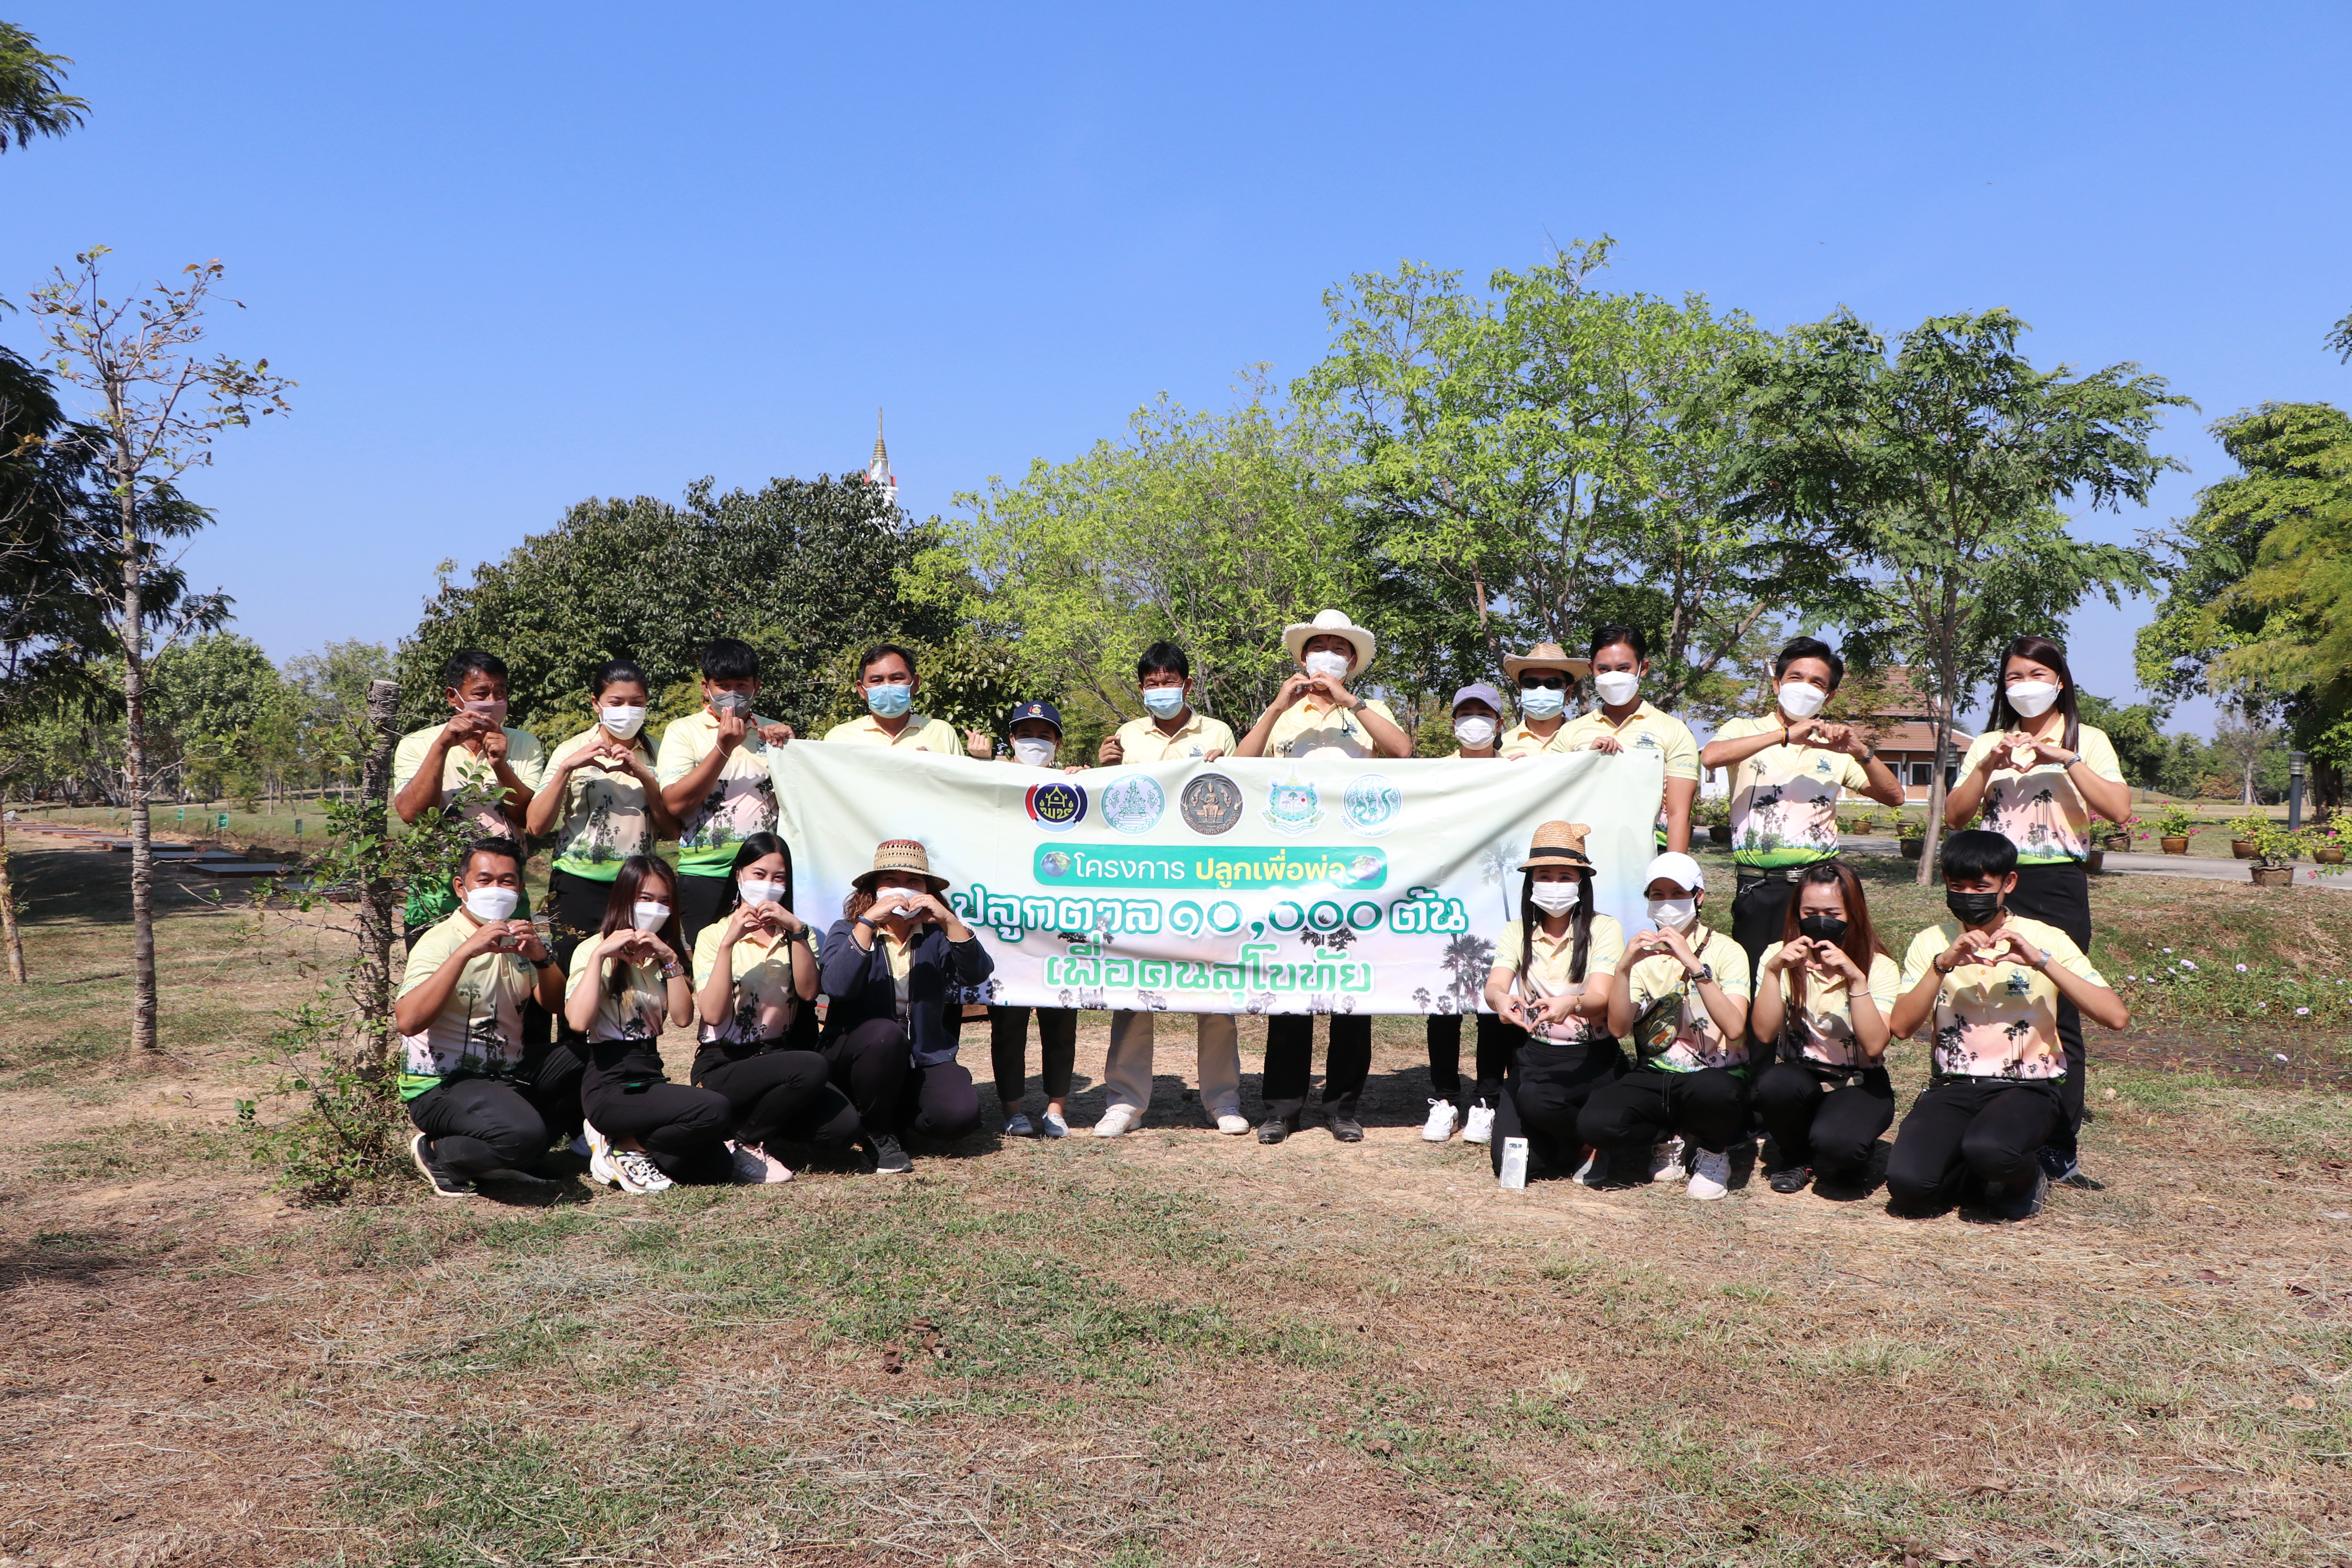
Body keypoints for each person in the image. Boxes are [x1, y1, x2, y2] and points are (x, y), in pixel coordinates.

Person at [1940, 634, 2131, 1187]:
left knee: (2058, 1006)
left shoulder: (2087, 740)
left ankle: (2058, 1146)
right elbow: (1957, 816)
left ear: (2061, 681)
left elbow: (2118, 810)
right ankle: (1982, 1116)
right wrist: (1986, 767)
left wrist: (2065, 760)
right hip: (1991, 885)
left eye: (2036, 675)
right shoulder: (1987, 744)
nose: (2025, 686)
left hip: (2057, 886)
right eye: (2013, 678)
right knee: (1983, 996)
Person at [1886, 829, 2129, 1221]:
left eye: (1982, 886)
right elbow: (1901, 1026)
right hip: (1956, 1084)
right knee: (1909, 1187)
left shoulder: (2046, 938)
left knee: (1991, 1149)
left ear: (2009, 883)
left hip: (2027, 1090)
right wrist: (1942, 966)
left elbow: (2115, 1017)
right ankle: (1975, 1168)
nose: (1969, 896)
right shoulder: (1931, 942)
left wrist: (2041, 962)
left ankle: (2027, 1176)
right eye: (1957, 886)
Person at [1235, 609, 1410, 1143]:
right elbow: (1241, 764)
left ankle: (1342, 1107)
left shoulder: (1369, 709)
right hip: (1291, 866)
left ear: (1352, 661)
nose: (1327, 654)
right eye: (1319, 645)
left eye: (1339, 647)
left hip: (1357, 867)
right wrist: (1275, 707)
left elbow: (1404, 753)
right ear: (1303, 657)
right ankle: (1282, 1108)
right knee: (1290, 988)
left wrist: (1349, 702)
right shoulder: (1283, 713)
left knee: (1349, 990)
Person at [1093, 643, 1247, 1137]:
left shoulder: (1217, 731)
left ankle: (1223, 1100)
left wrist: (1231, 765)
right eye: (1153, 683)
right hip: (1141, 878)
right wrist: (1101, 767)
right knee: (1132, 992)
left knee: (1216, 991)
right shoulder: (1125, 737)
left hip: (1206, 878)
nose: (1162, 689)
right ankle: (1125, 1101)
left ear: (1188, 683)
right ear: (1141, 689)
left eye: (1170, 680)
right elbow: (1111, 806)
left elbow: (1236, 795)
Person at [1698, 637, 1907, 979]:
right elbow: (1711, 757)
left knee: (1817, 979)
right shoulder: (1745, 729)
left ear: (1830, 695)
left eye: (1817, 683)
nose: (1805, 687)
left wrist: (1860, 752)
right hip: (1758, 886)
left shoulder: (1835, 745)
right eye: (1795, 678)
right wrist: (1785, 736)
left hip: (1819, 889)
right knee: (1758, 979)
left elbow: (1894, 795)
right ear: (1777, 683)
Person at [394, 837, 570, 1197]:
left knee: (586, 1058)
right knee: (521, 1134)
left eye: (507, 881)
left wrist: (541, 957)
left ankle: (515, 1155)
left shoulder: (519, 936)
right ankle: (439, 1153)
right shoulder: (439, 941)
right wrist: (464, 954)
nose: (496, 889)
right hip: (443, 1084)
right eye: (485, 880)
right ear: (462, 887)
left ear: (520, 888)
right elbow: (409, 1021)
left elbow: (554, 1005)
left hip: (505, 1073)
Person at [1581, 853, 1753, 1200]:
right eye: (1657, 895)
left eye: (1677, 893)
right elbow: (1617, 1029)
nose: (1667, 902)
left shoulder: (1728, 951)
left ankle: (1712, 1152)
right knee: (1595, 1123)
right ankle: (1667, 1136)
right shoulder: (1645, 955)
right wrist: (1624, 969)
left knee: (1713, 1091)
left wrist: (1694, 965)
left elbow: (1734, 1028)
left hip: (1716, 1073)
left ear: (1698, 896)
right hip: (1659, 1072)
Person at [690, 833, 859, 1182]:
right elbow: (712, 1014)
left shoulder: (799, 933)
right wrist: (728, 944)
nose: (768, 885)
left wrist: (796, 931)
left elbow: (811, 993)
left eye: (778, 878)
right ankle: (746, 1142)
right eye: (759, 874)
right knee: (811, 1067)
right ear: (739, 875)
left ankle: (753, 1123)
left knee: (843, 1130)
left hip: (779, 1057)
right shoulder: (712, 935)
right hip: (725, 1061)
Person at [819, 839, 995, 1174]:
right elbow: (837, 986)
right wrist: (868, 923)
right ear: (873, 890)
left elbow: (978, 974)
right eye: (891, 881)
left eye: (913, 882)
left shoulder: (935, 936)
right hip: (860, 1054)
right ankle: (877, 1130)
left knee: (958, 1117)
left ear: (928, 891)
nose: (902, 890)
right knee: (885, 1034)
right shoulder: (848, 930)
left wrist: (949, 921)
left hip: (923, 1055)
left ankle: (895, 1114)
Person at [566, 855, 731, 1193]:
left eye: (665, 901)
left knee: (716, 1167)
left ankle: (625, 1142)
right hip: (610, 1082)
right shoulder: (591, 950)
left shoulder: (661, 957)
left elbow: (684, 1019)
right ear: (625, 898)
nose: (656, 908)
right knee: (715, 1107)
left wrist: (670, 959)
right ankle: (625, 1144)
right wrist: (602, 957)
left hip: (649, 1076)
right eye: (646, 898)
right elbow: (577, 1021)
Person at [1479, 822, 1625, 1181]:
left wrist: (1571, 1005)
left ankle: (1592, 1139)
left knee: (1536, 1101)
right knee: (1514, 1165)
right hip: (1536, 1055)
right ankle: (1571, 1141)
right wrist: (1501, 999)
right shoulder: (1517, 932)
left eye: (1565, 877)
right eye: (1545, 876)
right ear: (1531, 882)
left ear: (1581, 882)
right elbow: (1495, 985)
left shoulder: (1604, 929)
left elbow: (1600, 998)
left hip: (1592, 1058)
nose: (1555, 886)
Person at [1748, 861, 1900, 1195]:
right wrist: (1774, 973)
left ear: (1853, 913)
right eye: (1810, 911)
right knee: (1774, 1084)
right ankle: (1796, 1158)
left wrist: (1855, 978)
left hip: (1858, 1080)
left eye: (1833, 912)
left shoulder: (1879, 967)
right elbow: (1763, 1033)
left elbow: (1875, 1045)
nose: (1820, 921)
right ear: (1797, 912)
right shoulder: (1779, 956)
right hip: (1801, 1076)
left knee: (1841, 1146)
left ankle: (1849, 1155)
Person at [528, 659, 681, 982]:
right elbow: (536, 826)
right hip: (577, 886)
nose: (627, 710)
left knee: (632, 983)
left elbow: (672, 829)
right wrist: (567, 769)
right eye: (617, 702)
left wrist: (646, 777)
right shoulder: (571, 750)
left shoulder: (661, 753)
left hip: (638, 889)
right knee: (577, 978)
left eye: (636, 703)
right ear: (597, 703)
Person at [390, 650, 546, 945]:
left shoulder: (524, 743)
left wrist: (500, 763)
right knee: (437, 978)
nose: (491, 703)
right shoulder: (418, 744)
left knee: (510, 980)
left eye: (500, 693)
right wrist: (442, 747)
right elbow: (413, 815)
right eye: (481, 693)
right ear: (454, 696)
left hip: (504, 888)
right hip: (436, 891)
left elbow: (527, 817)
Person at [656, 638, 798, 951]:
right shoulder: (683, 731)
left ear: (756, 687)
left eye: (741, 684)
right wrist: (723, 747)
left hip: (766, 877)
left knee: (768, 962)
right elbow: (676, 803)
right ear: (706, 688)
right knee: (711, 963)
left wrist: (792, 747)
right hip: (705, 873)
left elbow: (800, 801)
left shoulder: (775, 733)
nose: (732, 693)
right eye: (722, 685)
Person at [984, 701, 1082, 1137]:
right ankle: (1013, 1110)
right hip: (1007, 922)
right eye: (1026, 734)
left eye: (1044, 735)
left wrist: (1090, 782)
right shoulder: (994, 781)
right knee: (1009, 1021)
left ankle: (1056, 1108)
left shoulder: (1074, 786)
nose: (1034, 742)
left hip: (1060, 921)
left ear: (1058, 743)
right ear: (1011, 740)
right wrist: (984, 767)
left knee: (1062, 1015)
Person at [1425, 682, 1512, 1144]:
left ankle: (1486, 1101)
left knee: (1490, 1007)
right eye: (1465, 712)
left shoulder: (1522, 772)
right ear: (1453, 722)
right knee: (1445, 1003)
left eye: (1484, 713)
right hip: (1446, 903)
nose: (1474, 720)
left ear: (1501, 724)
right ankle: (1444, 1099)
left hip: (1498, 902)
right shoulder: (1433, 775)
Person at [1558, 625, 1701, 852]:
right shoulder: (1569, 733)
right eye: (1604, 669)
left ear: (1643, 668)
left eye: (1623, 668)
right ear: (1591, 669)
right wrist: (1586, 760)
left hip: (1648, 856)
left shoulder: (1673, 730)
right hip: (1582, 857)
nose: (1613, 677)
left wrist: (1671, 873)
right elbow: (1556, 797)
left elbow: (1679, 814)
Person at [820, 643, 982, 755]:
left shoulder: (942, 732)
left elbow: (960, 792)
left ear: (916, 683)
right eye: (877, 681)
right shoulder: (838, 739)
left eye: (897, 678)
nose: (887, 687)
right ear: (862, 689)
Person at [1494, 642, 1590, 759]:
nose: (1541, 690)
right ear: (1521, 688)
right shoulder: (1499, 749)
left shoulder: (1588, 742)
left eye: (1553, 683)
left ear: (1569, 692)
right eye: (1531, 683)